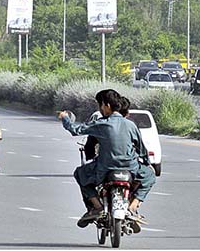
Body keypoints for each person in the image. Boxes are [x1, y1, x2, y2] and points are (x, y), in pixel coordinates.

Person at [59, 89, 155, 228]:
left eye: (100, 105)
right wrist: (147, 163)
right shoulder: (131, 125)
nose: (101, 109)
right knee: (150, 176)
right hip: (130, 168)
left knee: (80, 173)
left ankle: (97, 207)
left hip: (105, 168)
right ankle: (133, 206)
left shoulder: (101, 124)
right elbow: (141, 150)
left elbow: (75, 129)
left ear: (107, 105)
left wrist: (65, 118)